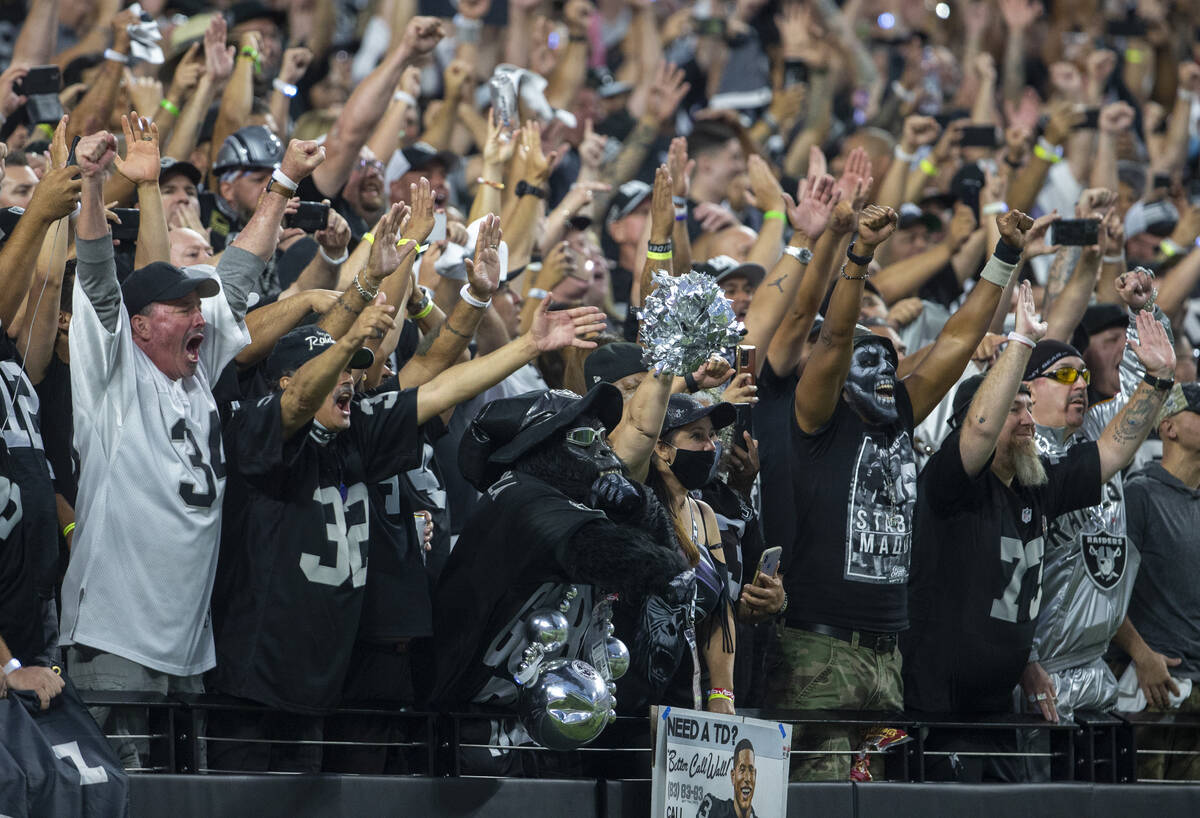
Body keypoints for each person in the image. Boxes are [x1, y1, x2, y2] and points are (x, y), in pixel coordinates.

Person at [60, 118, 324, 768]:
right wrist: (94, 185)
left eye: (196, 307)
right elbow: (98, 274)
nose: (198, 314)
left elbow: (236, 273)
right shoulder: (114, 372)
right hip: (114, 638)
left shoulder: (196, 371)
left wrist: (285, 180)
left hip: (185, 647)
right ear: (142, 325)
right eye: (182, 307)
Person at [767, 205, 1032, 781]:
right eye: (868, 361)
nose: (884, 369)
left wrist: (1005, 256)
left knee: (877, 802)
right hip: (820, 650)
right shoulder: (817, 422)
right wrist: (858, 255)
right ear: (834, 379)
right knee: (821, 803)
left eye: (891, 359)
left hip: (889, 655)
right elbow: (836, 334)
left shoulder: (901, 416)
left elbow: (959, 338)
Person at [905, 289, 1177, 782]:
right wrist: (1020, 343)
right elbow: (981, 429)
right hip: (942, 715)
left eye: (1030, 407)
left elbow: (1111, 452)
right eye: (1016, 408)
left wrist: (1157, 379)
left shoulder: (1037, 487)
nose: (1029, 420)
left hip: (1002, 709)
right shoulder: (951, 486)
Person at [1123, 382, 1200, 781]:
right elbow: (1103, 591)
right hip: (1153, 688)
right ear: (1168, 427)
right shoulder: (1139, 495)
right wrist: (1140, 654)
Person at [647, 394, 738, 715]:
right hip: (635, 698)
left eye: (712, 435)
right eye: (697, 436)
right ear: (661, 447)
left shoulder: (704, 515)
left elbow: (720, 614)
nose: (711, 447)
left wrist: (722, 693)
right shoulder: (637, 510)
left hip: (691, 701)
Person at [697, 737, 757, 818]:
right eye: (742, 770)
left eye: (751, 770)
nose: (747, 778)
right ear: (733, 776)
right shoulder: (714, 809)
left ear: (755, 775)